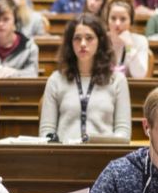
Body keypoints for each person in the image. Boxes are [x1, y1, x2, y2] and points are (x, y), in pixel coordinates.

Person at [38, 14, 131, 143]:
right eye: (77, 38)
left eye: (89, 38)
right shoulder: (56, 80)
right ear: (70, 43)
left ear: (100, 41)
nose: (82, 44)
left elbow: (123, 132)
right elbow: (46, 131)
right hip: (64, 156)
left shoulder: (118, 80)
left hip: (105, 156)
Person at [105, 0, 149, 79]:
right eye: (113, 18)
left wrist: (129, 47)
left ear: (131, 21)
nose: (117, 24)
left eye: (123, 19)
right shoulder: (100, 40)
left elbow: (139, 76)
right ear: (107, 19)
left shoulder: (140, 41)